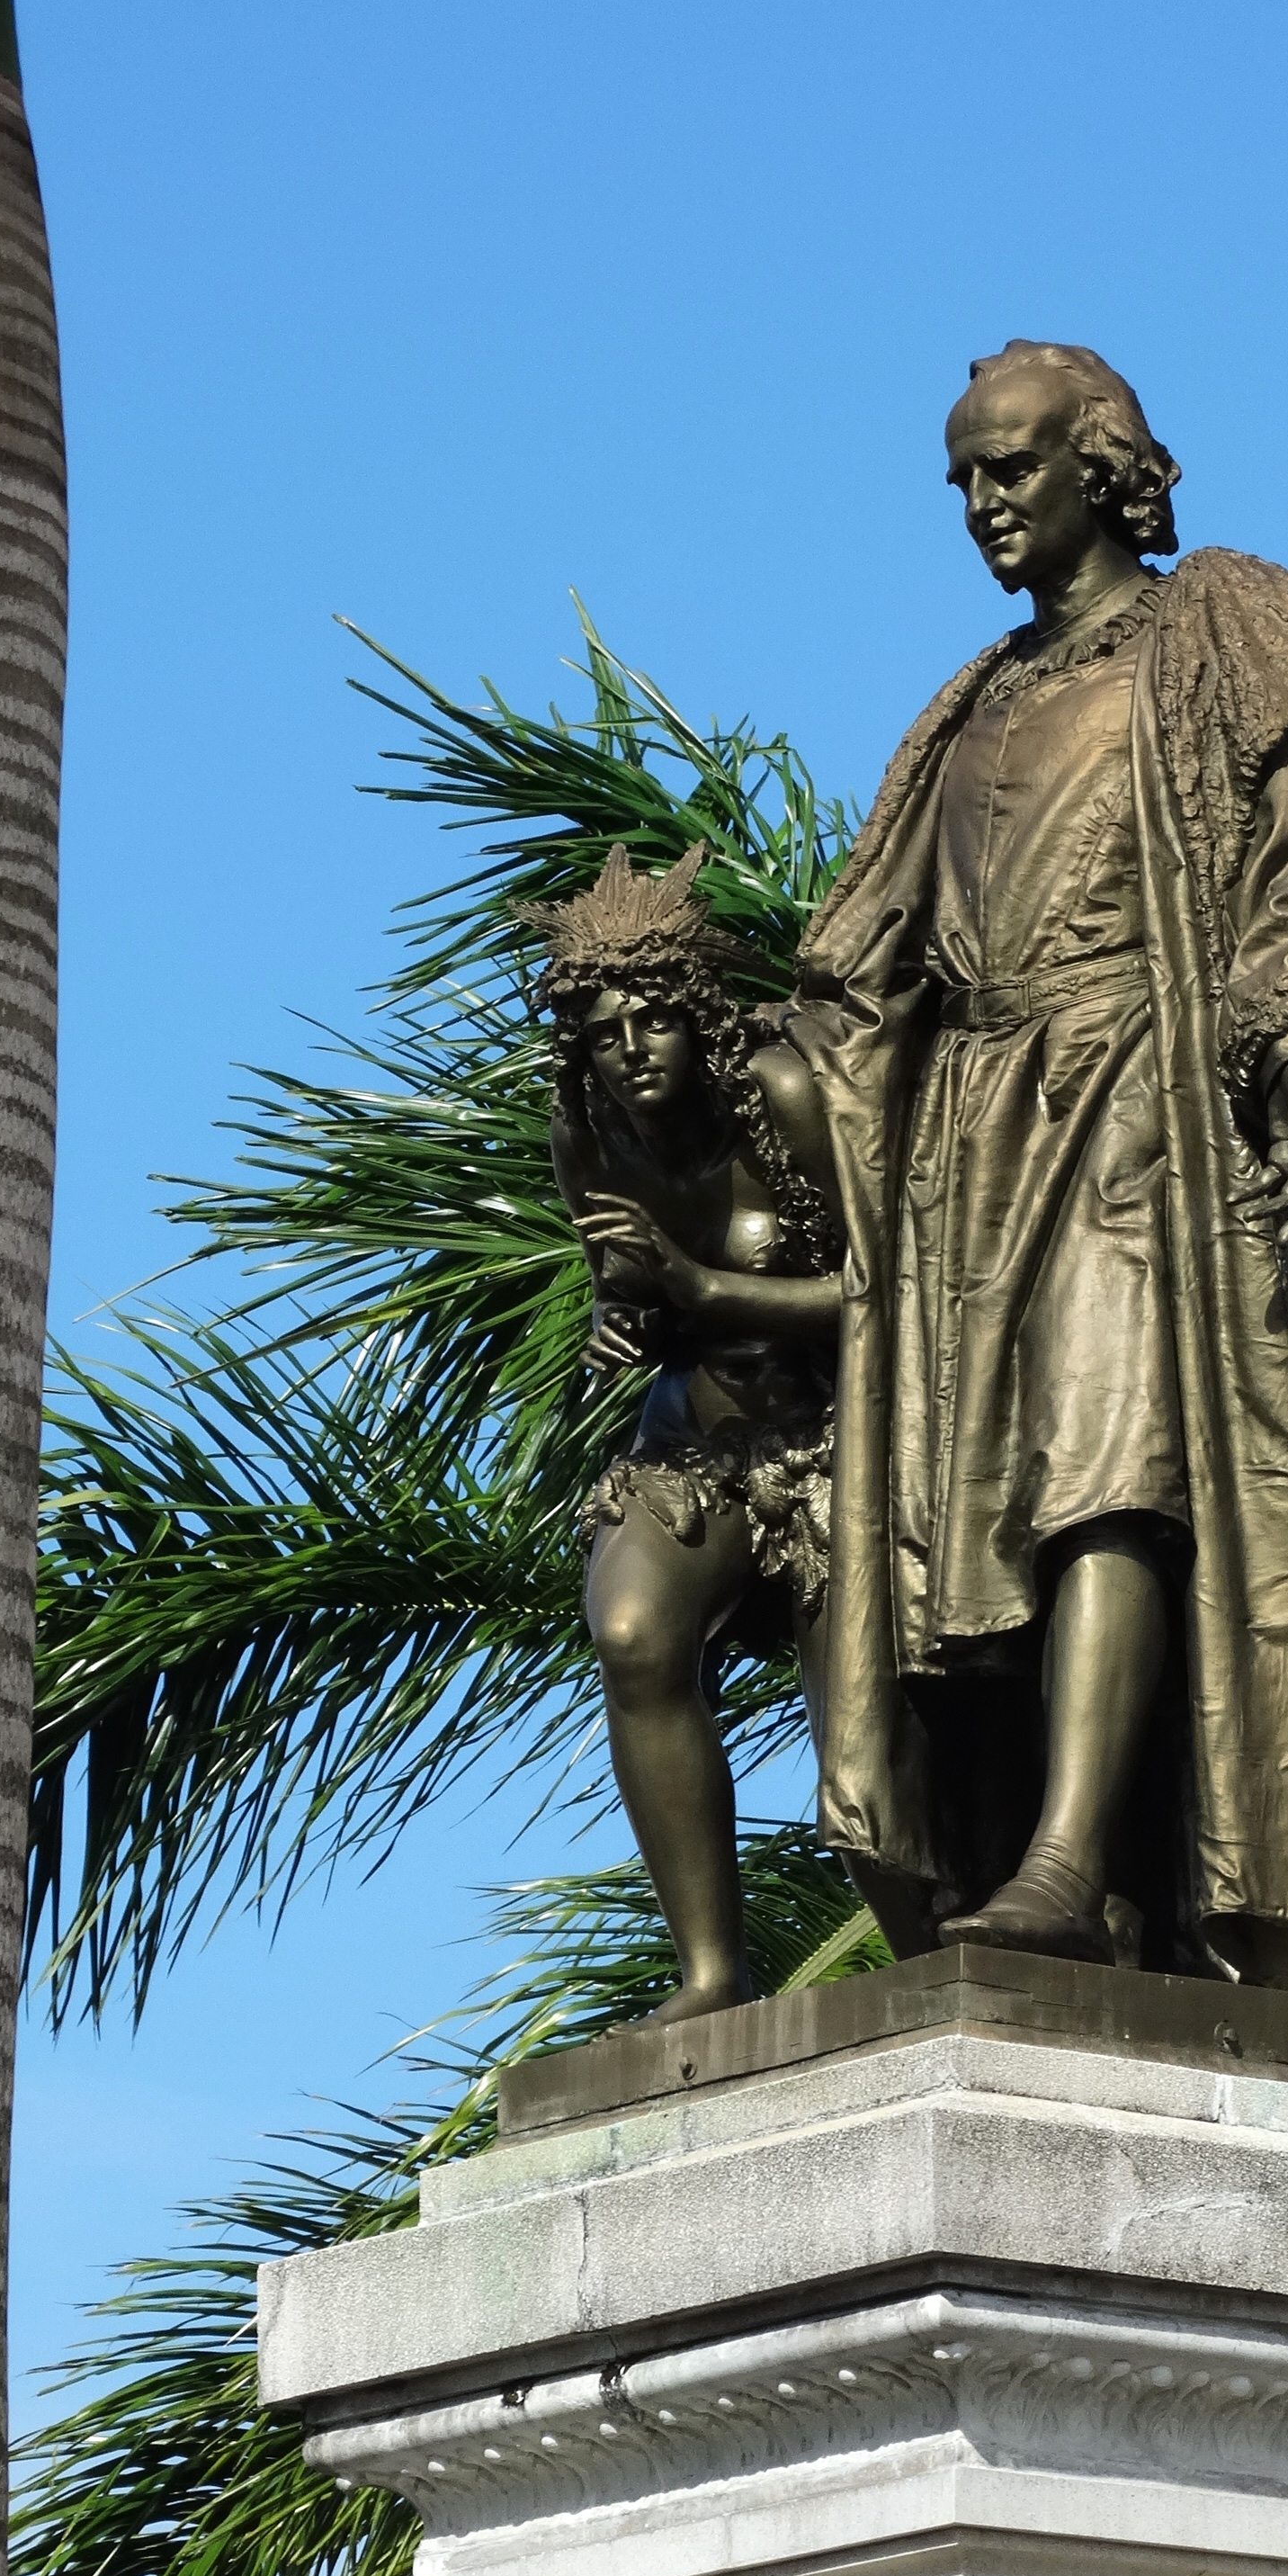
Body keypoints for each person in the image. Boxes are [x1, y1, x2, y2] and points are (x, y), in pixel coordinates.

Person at [783, 344, 1288, 2000]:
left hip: (1146, 1087)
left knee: (1114, 1454)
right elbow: (871, 963)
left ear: (1106, 463)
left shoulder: (1224, 617)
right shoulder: (970, 704)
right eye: (962, 481)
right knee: (983, 1512)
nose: (984, 505)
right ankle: (1062, 1858)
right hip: (974, 1135)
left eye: (1010, 467)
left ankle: (1078, 1861)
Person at [537, 842, 846, 2015]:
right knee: (631, 1632)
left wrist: (705, 1290)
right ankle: (714, 1971)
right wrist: (629, 1320)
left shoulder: (782, 1101)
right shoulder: (588, 1136)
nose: (632, 1052)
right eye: (605, 1034)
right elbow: (636, 1294)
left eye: (655, 1023)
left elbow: (898, 1299)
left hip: (837, 1441)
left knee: (860, 1785)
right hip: (692, 1445)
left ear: (701, 1022)